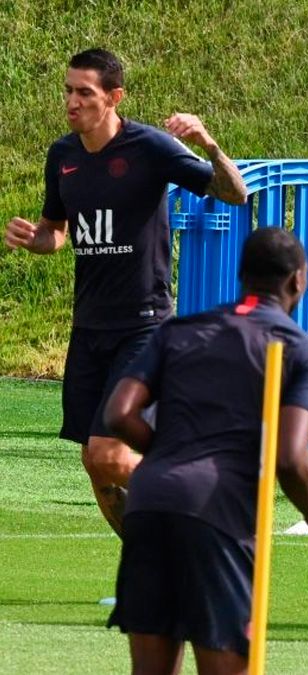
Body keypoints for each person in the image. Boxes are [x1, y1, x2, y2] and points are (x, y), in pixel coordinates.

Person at [2, 48, 248, 537]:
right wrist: (37, 240)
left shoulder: (150, 148)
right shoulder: (64, 156)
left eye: (84, 92)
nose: (72, 102)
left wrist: (210, 145)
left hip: (145, 325)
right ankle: (156, 568)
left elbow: (235, 193)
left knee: (108, 455)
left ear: (114, 97)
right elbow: (57, 229)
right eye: (68, 91)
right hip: (89, 328)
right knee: (97, 469)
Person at [103, 227, 308, 675]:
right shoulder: (302, 353)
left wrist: (171, 452)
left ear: (242, 276)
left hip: (149, 502)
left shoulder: (178, 331)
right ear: (298, 280)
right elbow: (290, 456)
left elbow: (118, 414)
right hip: (217, 511)